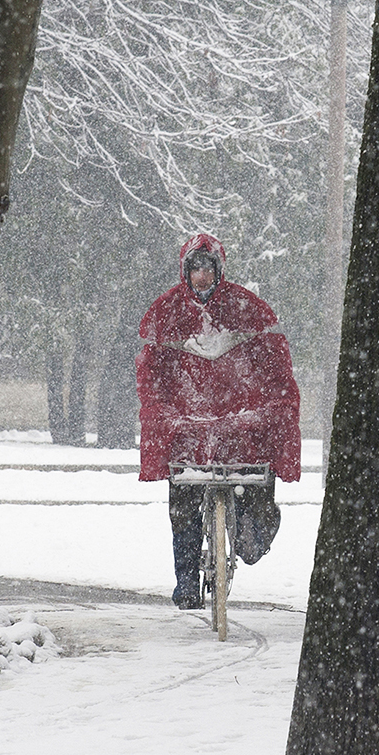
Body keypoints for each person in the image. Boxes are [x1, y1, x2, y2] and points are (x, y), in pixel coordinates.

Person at [136, 233, 301, 609]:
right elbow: (152, 376)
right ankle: (185, 578)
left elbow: (274, 368)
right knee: (183, 501)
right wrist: (168, 414)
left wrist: (263, 409)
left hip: (237, 429)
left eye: (208, 268)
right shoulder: (167, 313)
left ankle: (250, 531)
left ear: (219, 270)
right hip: (189, 431)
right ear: (185, 271)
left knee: (254, 485)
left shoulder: (247, 309)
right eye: (194, 268)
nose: (201, 276)